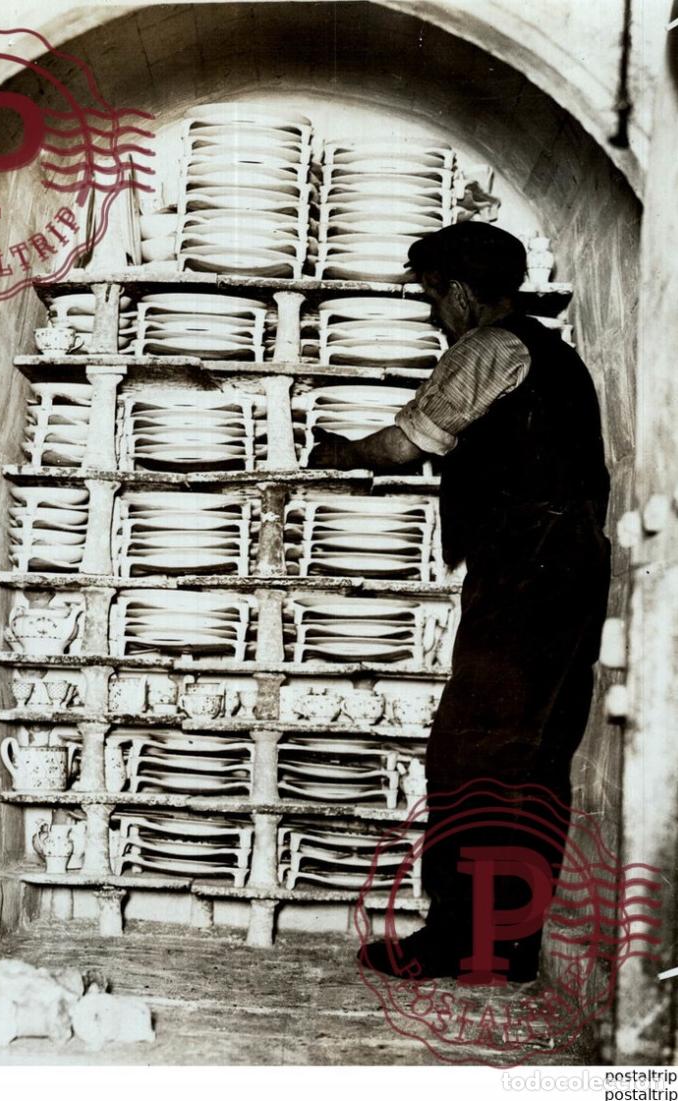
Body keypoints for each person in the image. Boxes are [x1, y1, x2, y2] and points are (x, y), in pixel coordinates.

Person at [308, 222, 611, 983]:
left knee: (469, 752)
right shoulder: (559, 359)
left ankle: (455, 938)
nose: (431, 314)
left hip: (526, 576)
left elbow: (409, 441)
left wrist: (342, 450)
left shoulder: (489, 346)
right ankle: (509, 946)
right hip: (571, 575)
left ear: (464, 291)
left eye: (432, 296)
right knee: (534, 758)